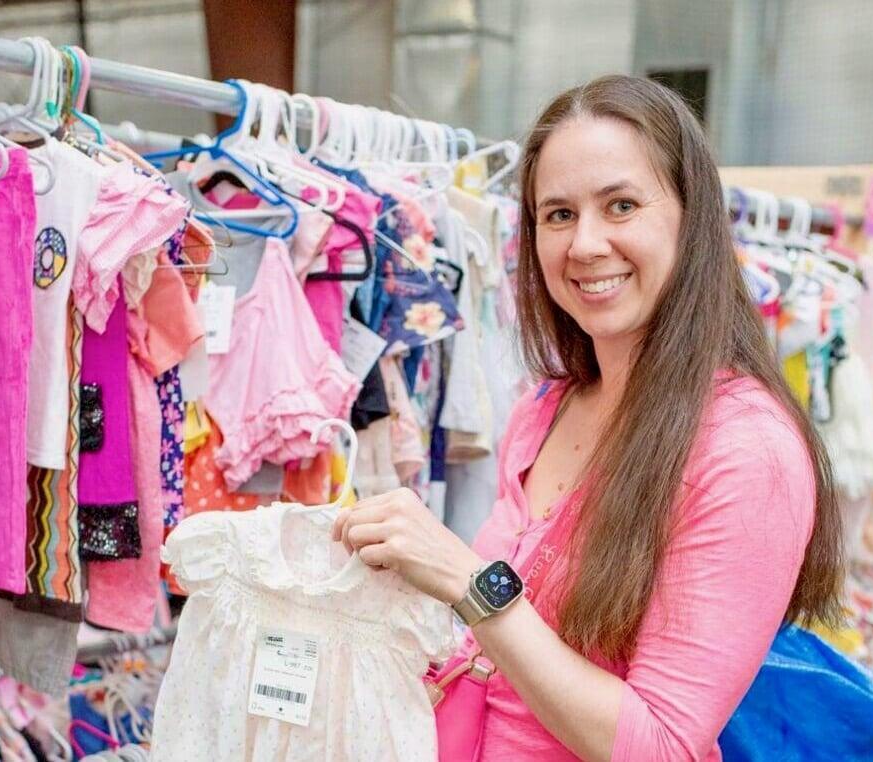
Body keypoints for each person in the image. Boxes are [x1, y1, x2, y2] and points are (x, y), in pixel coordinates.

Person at [332, 74, 845, 762]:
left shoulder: (743, 449)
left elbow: (661, 744)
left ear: (690, 217)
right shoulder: (544, 407)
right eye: (558, 214)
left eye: (621, 205)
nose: (585, 245)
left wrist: (466, 584)